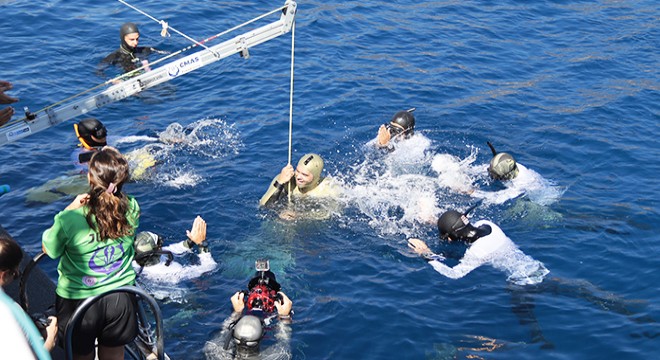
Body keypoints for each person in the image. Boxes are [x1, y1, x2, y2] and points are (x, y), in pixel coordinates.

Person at [42, 146, 140, 360]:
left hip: (80, 301)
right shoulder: (131, 207)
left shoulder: (71, 219)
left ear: (89, 177)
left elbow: (49, 249)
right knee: (114, 353)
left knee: (82, 355)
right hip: (120, 296)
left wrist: (69, 209)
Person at [407, 206, 549, 286]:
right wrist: (435, 221)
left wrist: (426, 254)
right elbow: (460, 225)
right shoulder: (487, 224)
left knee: (533, 330)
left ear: (450, 238)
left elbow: (454, 274)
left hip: (522, 282)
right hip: (536, 267)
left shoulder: (477, 252)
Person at [204, 263, 293, 360]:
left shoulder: (213, 351)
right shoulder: (277, 356)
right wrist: (284, 319)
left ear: (233, 334)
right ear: (262, 335)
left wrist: (236, 314)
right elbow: (284, 343)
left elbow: (222, 335)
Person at [1, 235, 58, 358]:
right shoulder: (10, 312)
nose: (18, 274)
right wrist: (50, 338)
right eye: (15, 272)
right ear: (4, 274)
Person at [132, 216, 217, 292]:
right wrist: (202, 244)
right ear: (158, 249)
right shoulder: (173, 272)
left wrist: (192, 241)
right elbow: (209, 267)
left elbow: (174, 249)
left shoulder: (133, 264)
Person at [259, 153, 341, 217]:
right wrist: (280, 181)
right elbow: (263, 205)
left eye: (305, 175)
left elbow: (331, 213)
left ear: (316, 176)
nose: (298, 177)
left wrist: (299, 215)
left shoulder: (329, 188)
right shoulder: (286, 180)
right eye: (297, 171)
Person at [97, 22, 169, 78]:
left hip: (149, 77)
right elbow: (98, 71)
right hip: (128, 82)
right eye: (132, 39)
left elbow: (167, 53)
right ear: (123, 38)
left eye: (137, 39)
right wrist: (113, 80)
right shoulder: (114, 57)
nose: (136, 42)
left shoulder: (144, 50)